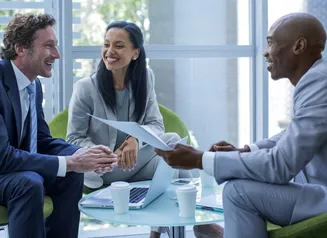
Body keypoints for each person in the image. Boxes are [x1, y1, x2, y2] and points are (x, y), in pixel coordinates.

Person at [155, 12, 327, 238]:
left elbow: (281, 165)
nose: (265, 52)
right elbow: (296, 134)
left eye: (270, 43)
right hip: (316, 189)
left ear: (299, 46)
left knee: (238, 192)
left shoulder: (318, 82)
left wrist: (199, 159)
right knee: (240, 180)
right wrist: (247, 150)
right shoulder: (318, 78)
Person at [0, 13, 117, 238]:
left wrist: (84, 155)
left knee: (71, 174)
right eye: (48, 46)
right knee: (29, 183)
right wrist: (70, 162)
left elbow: (41, 140)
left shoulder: (33, 87)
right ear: (21, 49)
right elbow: (3, 157)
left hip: (11, 169)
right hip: (4, 168)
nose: (57, 54)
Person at [66, 21, 181, 238]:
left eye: (119, 46)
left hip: (136, 164)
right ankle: (199, 228)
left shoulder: (145, 78)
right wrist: (105, 153)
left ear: (135, 53)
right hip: (105, 169)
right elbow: (73, 138)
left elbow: (156, 124)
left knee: (173, 154)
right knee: (174, 142)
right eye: (106, 44)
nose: (110, 52)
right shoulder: (86, 88)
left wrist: (135, 140)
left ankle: (157, 233)